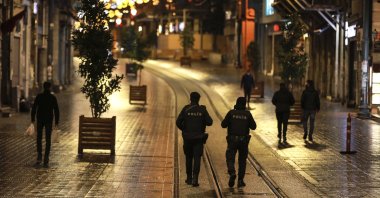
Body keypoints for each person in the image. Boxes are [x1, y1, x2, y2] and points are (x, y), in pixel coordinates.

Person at [176, 92, 213, 187]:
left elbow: (178, 122)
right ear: (198, 99)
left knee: (188, 157)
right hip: (199, 138)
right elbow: (210, 122)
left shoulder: (186, 109)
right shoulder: (202, 110)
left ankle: (189, 178)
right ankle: (195, 179)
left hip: (187, 138)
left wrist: (184, 129)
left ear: (190, 98)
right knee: (197, 158)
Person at [221, 97, 256, 188]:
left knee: (230, 158)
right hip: (244, 141)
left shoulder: (231, 113)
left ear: (236, 103)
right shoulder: (248, 114)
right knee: (242, 161)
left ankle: (232, 172)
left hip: (232, 140)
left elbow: (223, 124)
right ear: (244, 104)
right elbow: (254, 126)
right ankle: (240, 180)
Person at [31, 81, 60, 167]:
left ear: (43, 87)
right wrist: (56, 122)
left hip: (40, 119)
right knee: (48, 139)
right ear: (50, 87)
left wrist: (32, 119)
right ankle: (46, 157)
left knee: (39, 138)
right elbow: (56, 110)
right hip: (48, 120)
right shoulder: (52, 97)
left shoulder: (39, 96)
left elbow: (34, 108)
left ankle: (39, 155)